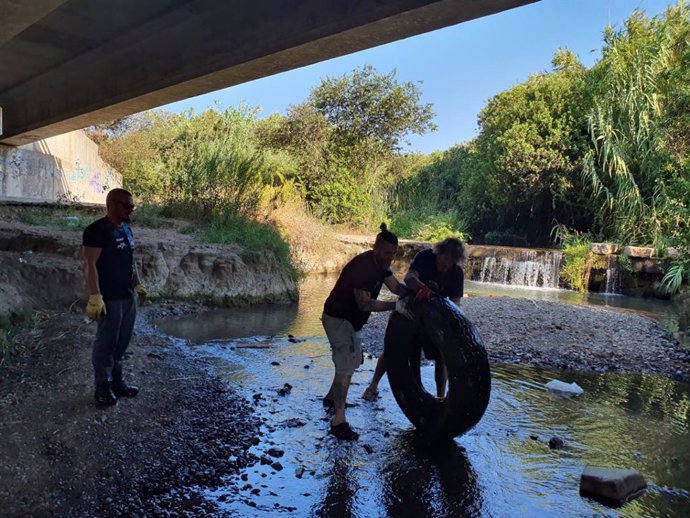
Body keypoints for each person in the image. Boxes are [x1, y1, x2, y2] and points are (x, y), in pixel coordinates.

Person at [322, 223, 410, 441]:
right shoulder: (364, 267)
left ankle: (332, 398)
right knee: (345, 367)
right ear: (376, 247)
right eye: (388, 252)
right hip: (338, 319)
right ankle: (339, 420)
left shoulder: (382, 265)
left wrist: (414, 294)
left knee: (351, 362)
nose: (391, 257)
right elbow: (364, 304)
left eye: (394, 253)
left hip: (349, 322)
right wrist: (395, 306)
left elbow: (395, 287)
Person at [363, 237, 465, 401]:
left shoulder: (456, 273)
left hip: (435, 317)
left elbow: (455, 304)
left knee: (441, 356)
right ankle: (372, 386)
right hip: (409, 309)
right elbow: (409, 278)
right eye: (445, 259)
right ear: (438, 253)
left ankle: (441, 397)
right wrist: (423, 289)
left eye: (451, 261)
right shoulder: (425, 257)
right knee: (391, 348)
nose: (447, 264)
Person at [82, 188, 147, 407]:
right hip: (109, 298)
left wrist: (137, 284)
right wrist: (95, 296)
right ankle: (102, 388)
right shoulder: (97, 231)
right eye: (127, 205)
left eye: (133, 206)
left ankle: (118, 383)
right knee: (106, 344)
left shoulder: (127, 229)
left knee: (121, 343)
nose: (131, 210)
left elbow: (131, 260)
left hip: (128, 297)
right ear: (113, 205)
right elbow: (90, 265)